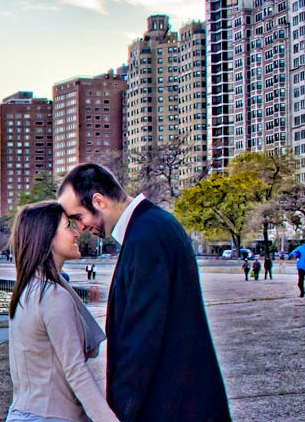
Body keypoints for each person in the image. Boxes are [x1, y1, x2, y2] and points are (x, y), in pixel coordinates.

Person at [58, 163, 230, 422]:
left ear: (99, 201)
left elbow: (141, 338)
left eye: (79, 217)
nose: (81, 228)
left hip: (171, 406)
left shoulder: (145, 237)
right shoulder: (153, 224)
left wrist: (119, 412)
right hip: (183, 399)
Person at [6, 201, 118, 422]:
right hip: (52, 415)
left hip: (24, 413)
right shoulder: (53, 296)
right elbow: (76, 371)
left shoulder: (27, 291)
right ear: (47, 237)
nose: (76, 233)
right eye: (68, 226)